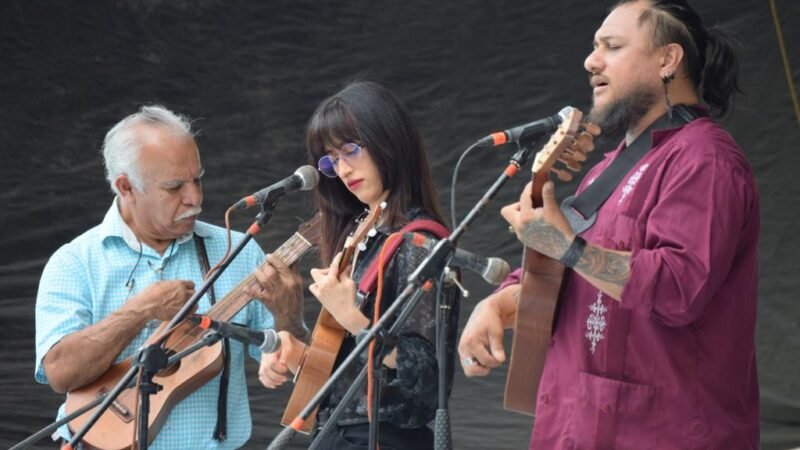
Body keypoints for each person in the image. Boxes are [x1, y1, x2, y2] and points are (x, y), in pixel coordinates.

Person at [458, 1, 759, 449]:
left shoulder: (705, 159)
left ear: (667, 59)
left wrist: (566, 246)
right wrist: (502, 305)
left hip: (664, 433)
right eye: (594, 47)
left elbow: (678, 288)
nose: (590, 61)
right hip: (578, 428)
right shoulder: (606, 168)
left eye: (611, 46)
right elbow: (575, 275)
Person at [34, 105, 305, 449]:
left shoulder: (240, 251)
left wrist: (289, 317)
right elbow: (59, 373)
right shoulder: (74, 262)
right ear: (126, 186)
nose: (196, 198)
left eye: (198, 179)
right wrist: (140, 310)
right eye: (175, 186)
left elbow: (300, 366)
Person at [253, 81, 460, 449]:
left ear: (389, 142)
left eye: (350, 150)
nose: (342, 169)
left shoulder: (422, 242)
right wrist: (297, 353)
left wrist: (353, 318)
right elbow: (357, 366)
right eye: (332, 160)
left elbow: (429, 381)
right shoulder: (367, 232)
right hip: (339, 433)